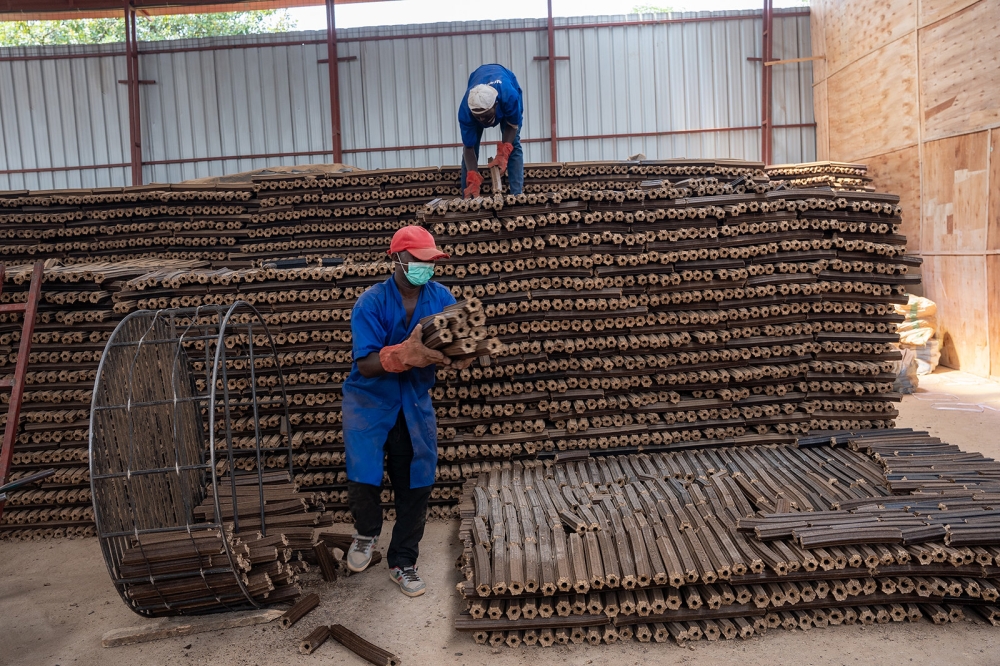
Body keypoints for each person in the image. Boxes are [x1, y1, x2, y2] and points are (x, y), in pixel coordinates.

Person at [342, 226, 471, 597]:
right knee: (364, 476)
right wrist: (403, 355)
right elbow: (366, 364)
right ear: (397, 259)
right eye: (419, 261)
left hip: (414, 402)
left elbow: (458, 336)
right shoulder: (370, 303)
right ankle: (366, 533)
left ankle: (403, 562)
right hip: (369, 402)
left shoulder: (442, 296)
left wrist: (462, 354)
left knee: (416, 481)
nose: (426, 267)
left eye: (431, 261)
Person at [458, 64, 524, 199]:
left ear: (496, 105)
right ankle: (469, 194)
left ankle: (517, 195)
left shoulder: (510, 98)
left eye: (486, 115)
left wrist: (503, 153)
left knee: (514, 144)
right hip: (477, 77)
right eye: (478, 117)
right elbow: (469, 148)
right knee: (470, 150)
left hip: (506, 80)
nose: (482, 120)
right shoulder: (465, 112)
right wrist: (473, 177)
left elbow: (512, 125)